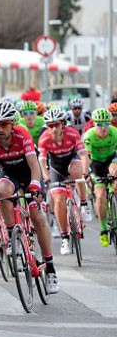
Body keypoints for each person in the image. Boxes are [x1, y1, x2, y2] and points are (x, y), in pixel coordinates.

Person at [0, 100, 59, 293]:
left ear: (12, 124)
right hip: (8, 172)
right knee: (2, 189)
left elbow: (33, 165)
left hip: (28, 172)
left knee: (37, 217)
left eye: (4, 124)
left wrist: (36, 186)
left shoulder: (22, 135)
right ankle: (13, 232)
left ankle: (50, 266)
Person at [38, 106, 90, 256]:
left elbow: (83, 154)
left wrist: (85, 172)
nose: (53, 129)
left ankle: (84, 204)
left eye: (56, 125)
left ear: (63, 124)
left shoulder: (72, 134)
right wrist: (46, 177)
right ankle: (65, 237)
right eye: (50, 126)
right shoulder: (44, 139)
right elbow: (41, 160)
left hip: (72, 161)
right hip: (56, 168)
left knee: (76, 172)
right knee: (59, 200)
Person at [82, 108, 117, 247]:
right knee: (100, 196)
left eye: (106, 124)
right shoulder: (89, 136)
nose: (103, 128)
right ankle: (103, 230)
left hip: (111, 160)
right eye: (99, 125)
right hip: (95, 163)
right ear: (94, 124)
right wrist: (87, 174)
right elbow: (85, 158)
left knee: (114, 172)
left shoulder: (114, 132)